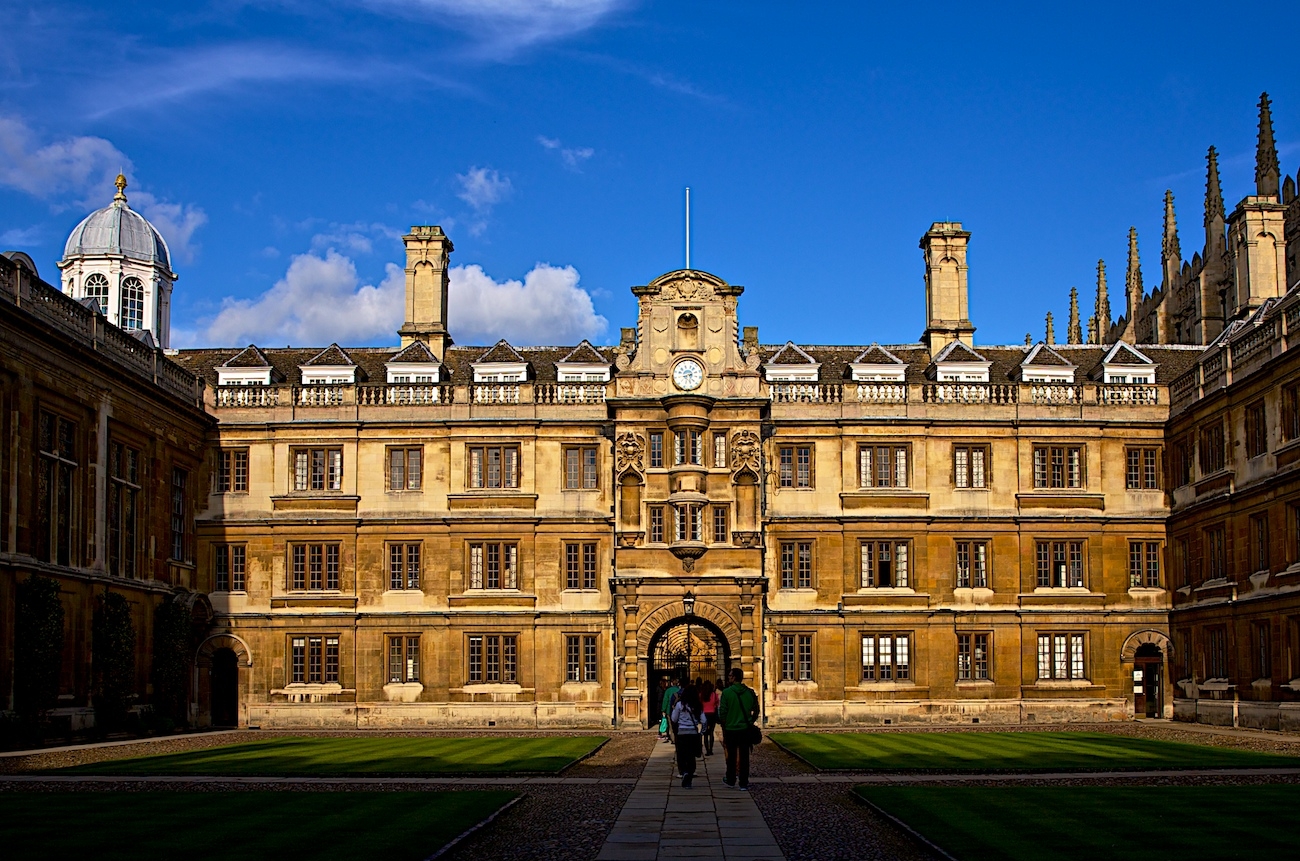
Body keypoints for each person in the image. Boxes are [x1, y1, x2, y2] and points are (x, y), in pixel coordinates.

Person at [717, 666, 759, 790]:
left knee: (731, 756)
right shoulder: (750, 692)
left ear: (734, 677)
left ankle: (731, 780)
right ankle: (743, 783)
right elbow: (756, 710)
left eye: (730, 676)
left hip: (731, 729)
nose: (728, 678)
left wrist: (725, 723)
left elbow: (722, 712)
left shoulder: (727, 693)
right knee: (745, 757)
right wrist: (750, 721)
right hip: (745, 729)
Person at [670, 683, 703, 787]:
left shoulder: (680, 705)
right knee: (691, 755)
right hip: (693, 732)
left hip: (682, 733)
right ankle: (690, 772)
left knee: (682, 754)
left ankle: (684, 772)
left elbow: (674, 719)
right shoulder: (698, 705)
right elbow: (704, 720)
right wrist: (702, 731)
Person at [699, 679, 720, 756]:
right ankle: (711, 749)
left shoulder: (702, 695)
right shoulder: (714, 695)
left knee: (705, 733)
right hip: (712, 714)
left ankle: (707, 750)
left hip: (704, 715)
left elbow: (700, 704)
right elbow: (717, 704)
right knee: (711, 732)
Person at [660, 676, 681, 743]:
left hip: (669, 710)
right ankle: (678, 737)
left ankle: (673, 738)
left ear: (671, 683)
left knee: (671, 725)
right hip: (679, 710)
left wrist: (663, 709)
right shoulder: (680, 690)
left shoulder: (668, 691)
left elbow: (665, 700)